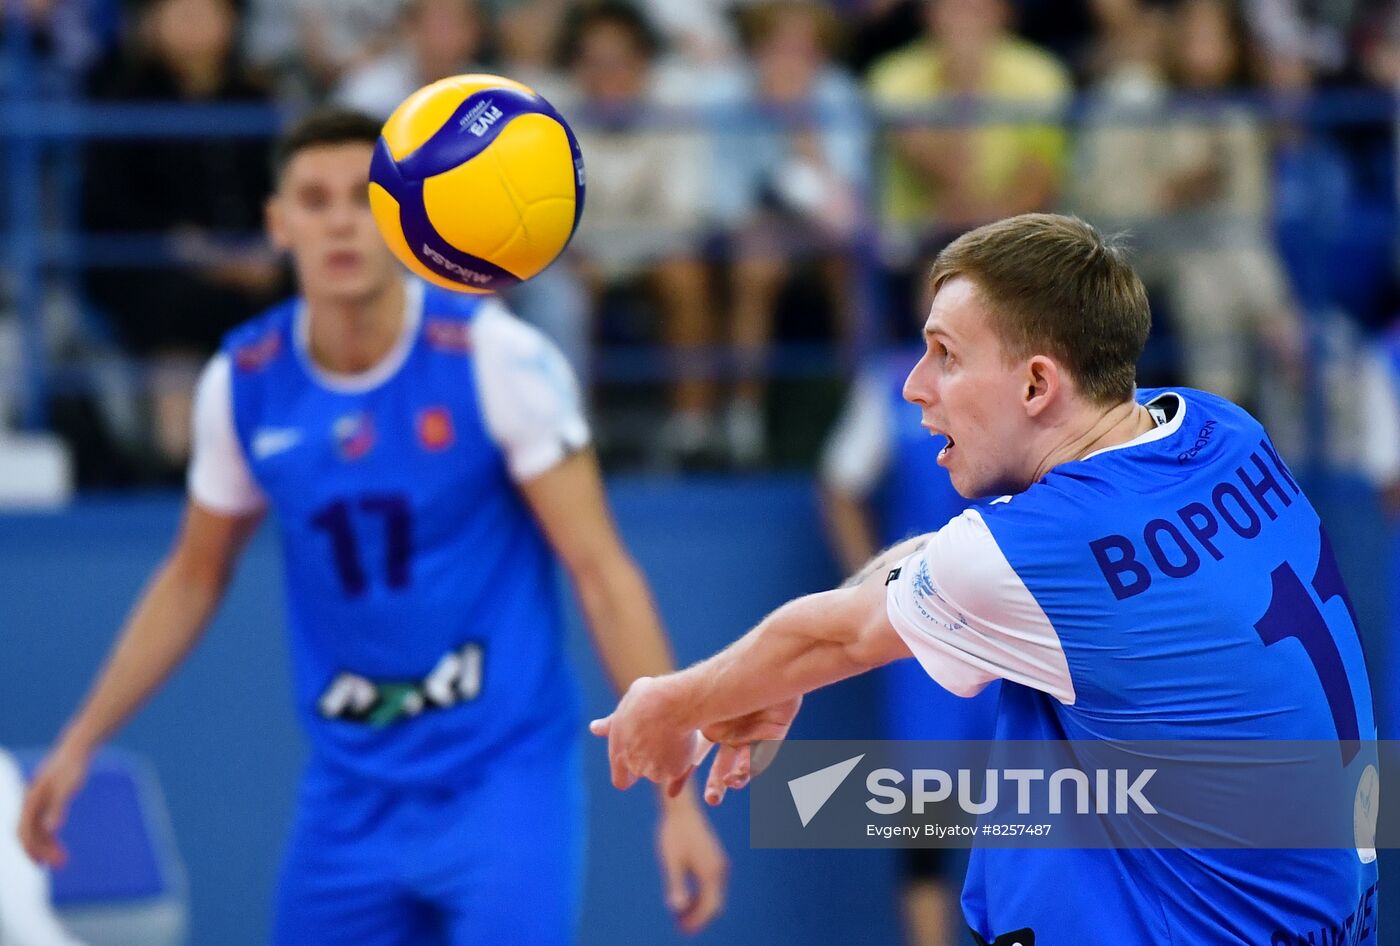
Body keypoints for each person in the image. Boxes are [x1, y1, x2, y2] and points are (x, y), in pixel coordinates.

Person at [20, 108, 726, 945]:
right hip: (350, 792)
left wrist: (674, 798)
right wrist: (79, 741)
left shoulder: (497, 359)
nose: (341, 221)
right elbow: (192, 576)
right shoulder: (242, 382)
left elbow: (603, 573)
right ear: (279, 224)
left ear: (401, 212)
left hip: (500, 780)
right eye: (313, 200)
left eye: (363, 195)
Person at [591, 213, 1379, 944]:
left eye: (945, 356)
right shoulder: (1219, 428)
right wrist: (793, 666)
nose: (914, 387)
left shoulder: (1037, 555)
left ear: (1038, 384)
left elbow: (840, 631)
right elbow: (955, 559)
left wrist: (676, 702)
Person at [818, 342, 998, 946]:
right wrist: (872, 595)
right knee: (925, 823)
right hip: (929, 642)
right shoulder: (892, 386)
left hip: (1024, 632)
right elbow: (840, 483)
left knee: (1044, 817)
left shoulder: (1036, 381)